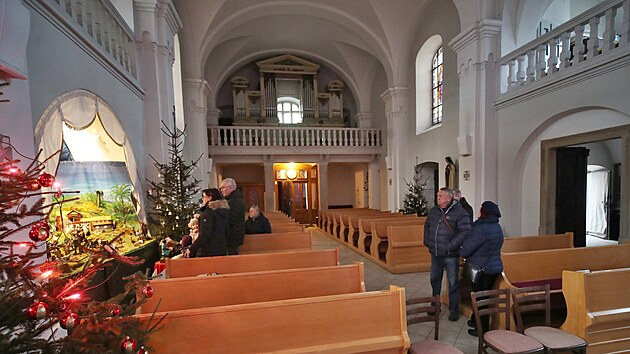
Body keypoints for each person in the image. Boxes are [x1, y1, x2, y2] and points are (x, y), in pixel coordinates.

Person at [423, 187, 471, 321]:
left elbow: (465, 231)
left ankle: (453, 309)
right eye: (438, 195)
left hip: (450, 254)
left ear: (448, 198)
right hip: (436, 253)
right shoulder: (434, 211)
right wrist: (427, 241)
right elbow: (427, 226)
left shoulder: (460, 213)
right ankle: (435, 305)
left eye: (440, 196)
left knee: (452, 282)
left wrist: (450, 246)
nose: (437, 197)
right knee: (434, 279)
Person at [460, 201, 504, 337]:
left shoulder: (481, 229)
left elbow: (466, 249)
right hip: (494, 268)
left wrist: (462, 250)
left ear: (484, 212)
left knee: (481, 300)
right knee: (483, 296)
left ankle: (482, 329)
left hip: (481, 268)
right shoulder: (497, 227)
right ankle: (475, 320)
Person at [185, 188, 229, 258]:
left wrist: (192, 248)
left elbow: (204, 234)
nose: (202, 199)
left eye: (204, 197)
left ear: (209, 198)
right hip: (221, 250)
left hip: (208, 252)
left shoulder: (208, 214)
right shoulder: (223, 212)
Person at [220, 178, 245, 255]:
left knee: (232, 259)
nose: (221, 190)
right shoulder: (231, 199)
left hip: (233, 236)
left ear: (230, 188)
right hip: (231, 235)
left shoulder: (235, 200)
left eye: (223, 188)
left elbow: (230, 218)